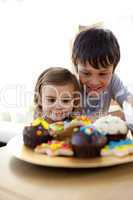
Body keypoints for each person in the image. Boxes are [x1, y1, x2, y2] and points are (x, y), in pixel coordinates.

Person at [72, 27, 133, 116]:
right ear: (76, 67)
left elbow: (128, 102)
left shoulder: (113, 80)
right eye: (86, 73)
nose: (94, 82)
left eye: (103, 74)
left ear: (112, 71)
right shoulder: (71, 84)